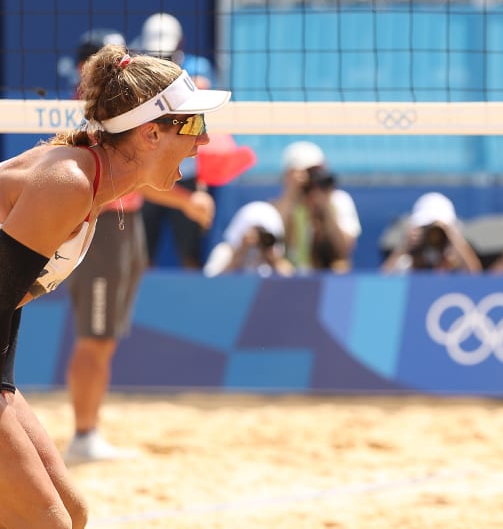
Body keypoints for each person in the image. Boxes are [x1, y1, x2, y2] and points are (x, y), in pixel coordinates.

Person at [0, 43, 227, 528]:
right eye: (193, 125)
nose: (204, 141)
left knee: (73, 513)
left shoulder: (90, 182)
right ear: (148, 134)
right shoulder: (68, 181)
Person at [64, 31, 220, 465]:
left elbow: (137, 175)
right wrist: (188, 201)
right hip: (103, 225)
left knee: (104, 336)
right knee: (95, 337)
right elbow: (127, 174)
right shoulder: (96, 116)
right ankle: (83, 434)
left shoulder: (115, 112)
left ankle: (88, 431)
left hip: (124, 220)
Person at [137, 13, 219, 269]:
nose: (162, 62)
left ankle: (194, 305)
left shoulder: (197, 67)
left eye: (167, 57)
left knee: (190, 253)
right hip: (149, 168)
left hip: (188, 171)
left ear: (180, 44)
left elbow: (202, 88)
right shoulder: (139, 70)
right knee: (143, 255)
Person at [275, 141, 361, 273]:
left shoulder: (338, 200)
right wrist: (292, 193)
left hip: (326, 276)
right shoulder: (283, 204)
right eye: (309, 171)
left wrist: (323, 205)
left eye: (318, 170)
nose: (312, 177)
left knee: (341, 267)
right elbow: (275, 243)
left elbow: (344, 250)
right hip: (293, 278)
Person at [380, 192, 482, 274]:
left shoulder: (454, 261)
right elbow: (383, 282)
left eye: (440, 230)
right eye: (426, 227)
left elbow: (476, 278)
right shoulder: (407, 262)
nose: (434, 235)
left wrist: (455, 240)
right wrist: (405, 246)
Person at [203, 200, 294, 278]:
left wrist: (273, 260)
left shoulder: (275, 257)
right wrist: (238, 255)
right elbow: (209, 285)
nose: (258, 238)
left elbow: (294, 283)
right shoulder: (225, 251)